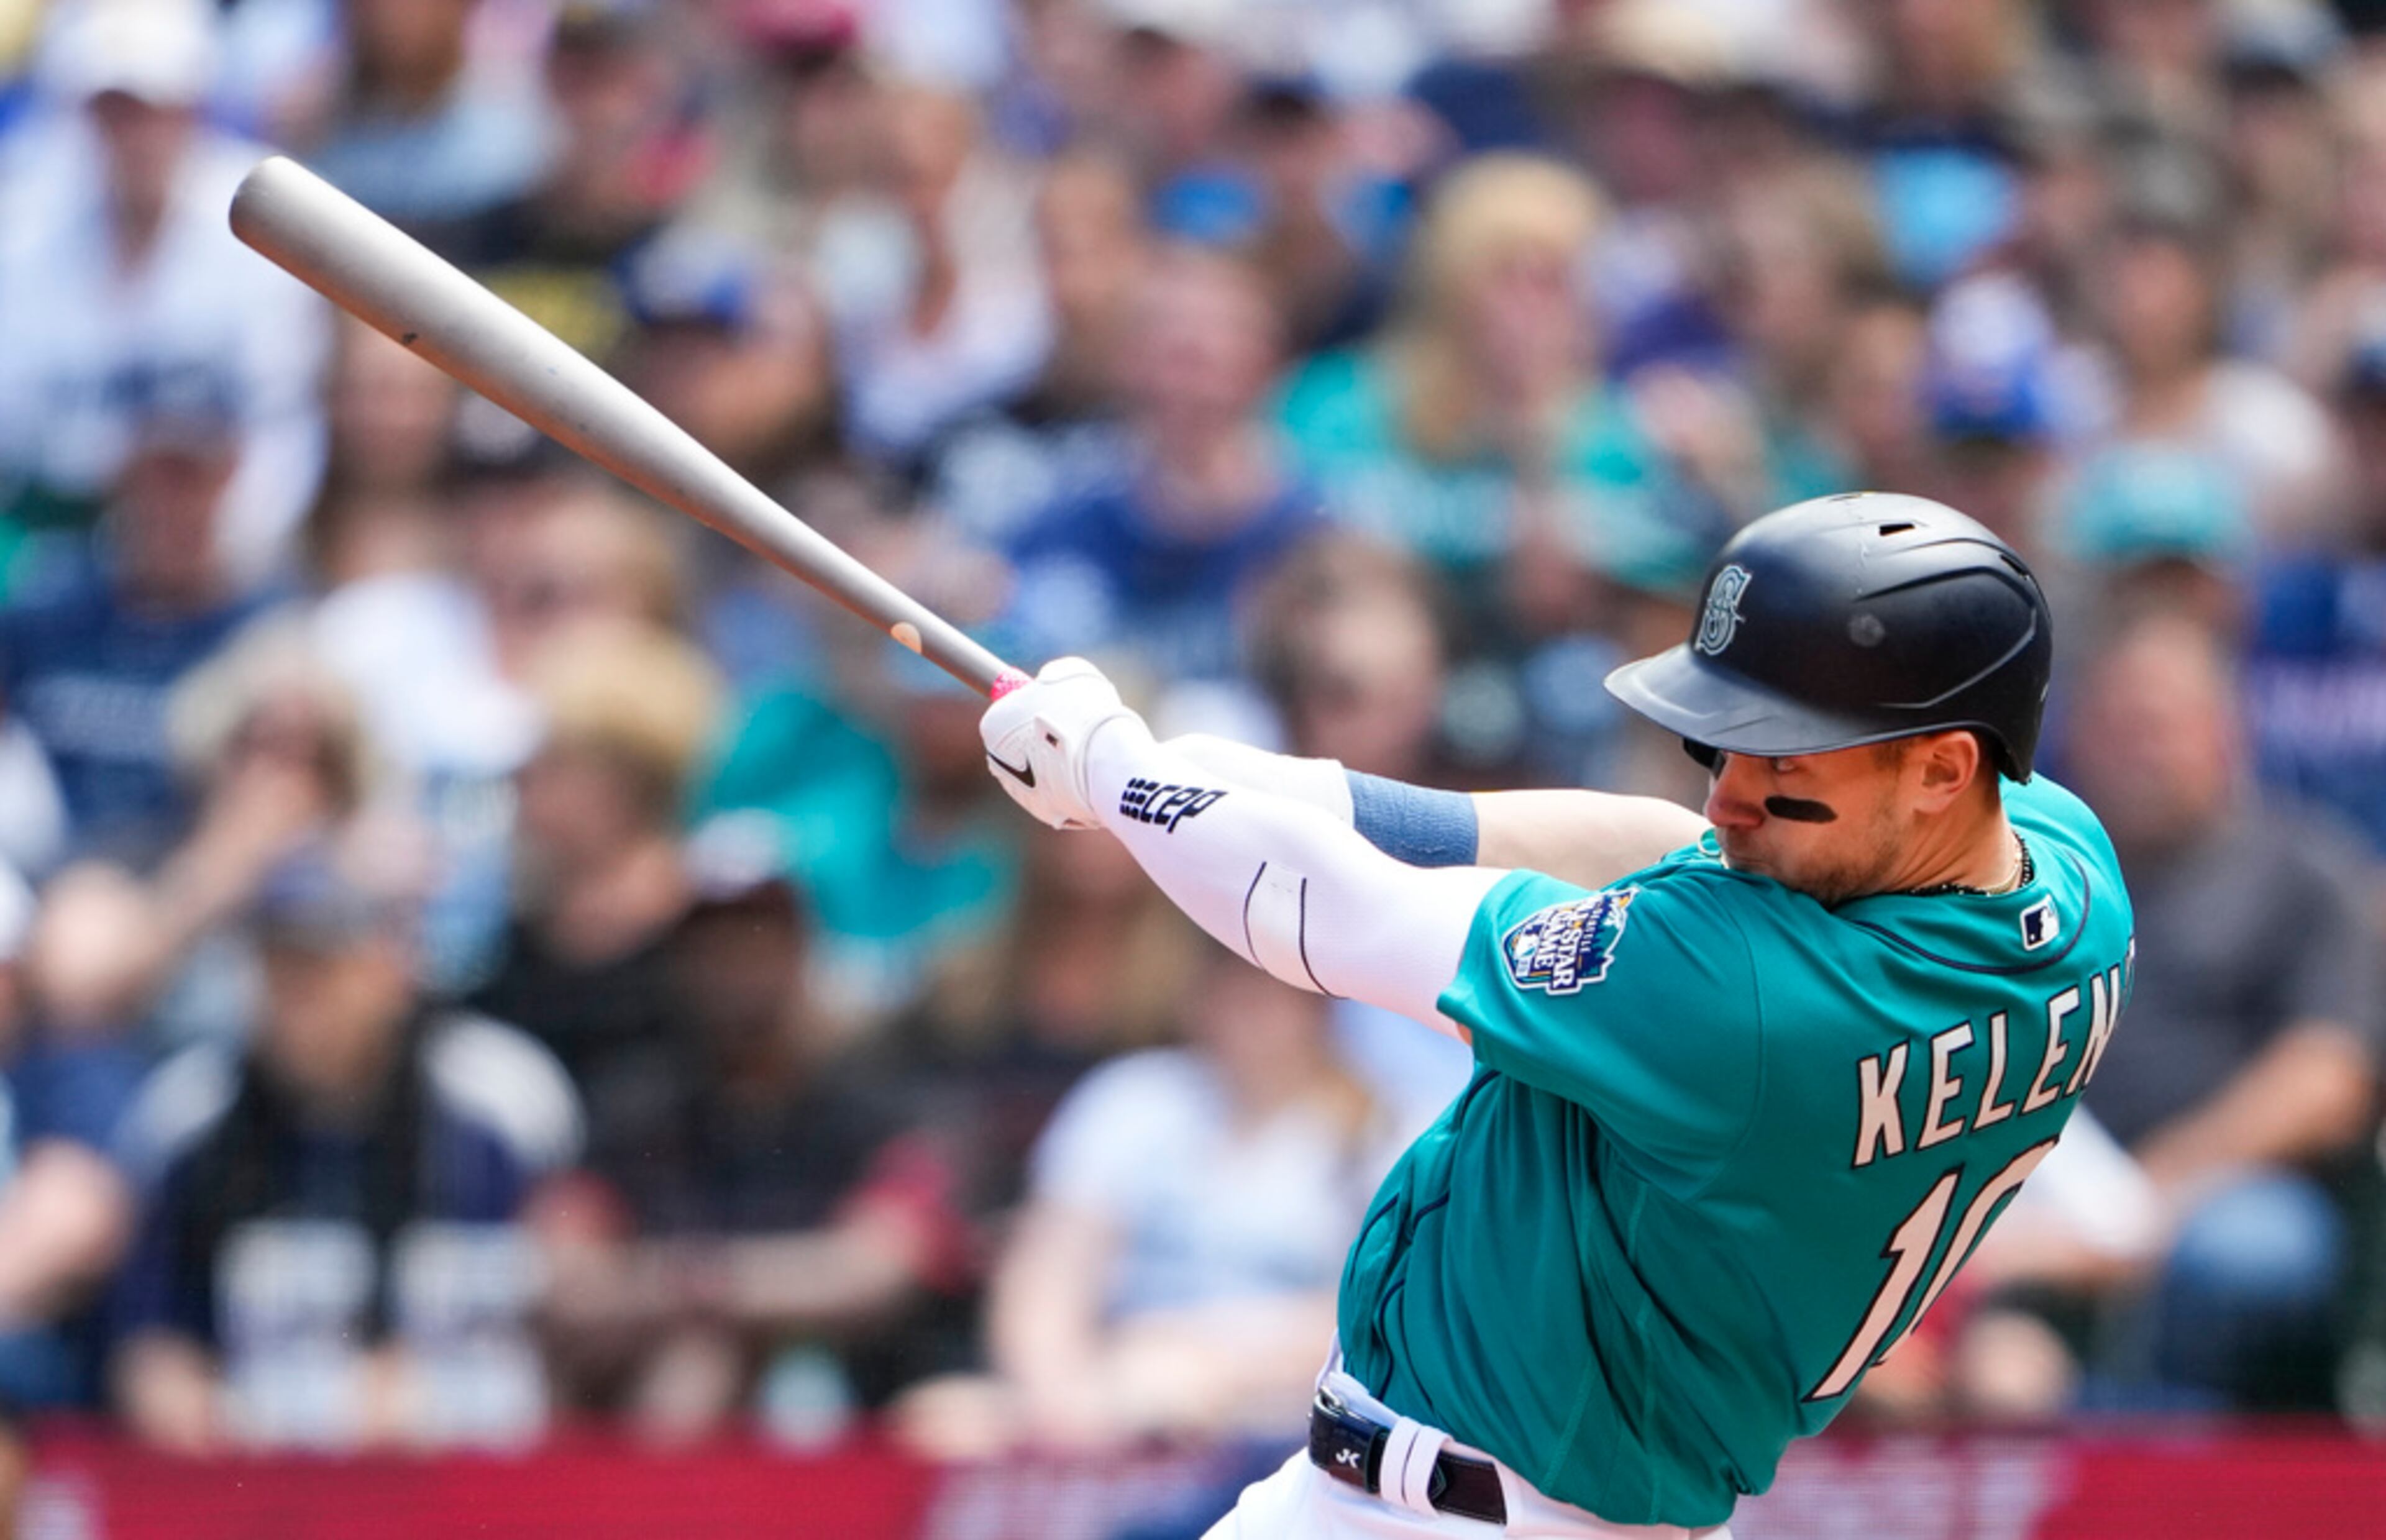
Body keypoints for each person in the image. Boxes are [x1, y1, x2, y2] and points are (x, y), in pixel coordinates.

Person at [979, 492, 2134, 1537]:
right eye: (1719, 741)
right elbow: (1653, 841)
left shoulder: (1753, 1001)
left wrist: (1120, 780)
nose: (1726, 796)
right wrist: (1278, 785)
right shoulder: (2069, 876)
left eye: (1782, 758)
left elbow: (1328, 913)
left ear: (1941, 766)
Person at [109, 850, 580, 1452]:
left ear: (393, 965)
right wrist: (195, 1412)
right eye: (276, 967)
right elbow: (153, 1343)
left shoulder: (504, 1101)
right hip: (265, 1477)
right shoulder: (189, 1114)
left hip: (475, 1470)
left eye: (322, 967)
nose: (296, 997)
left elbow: (569, 1310)